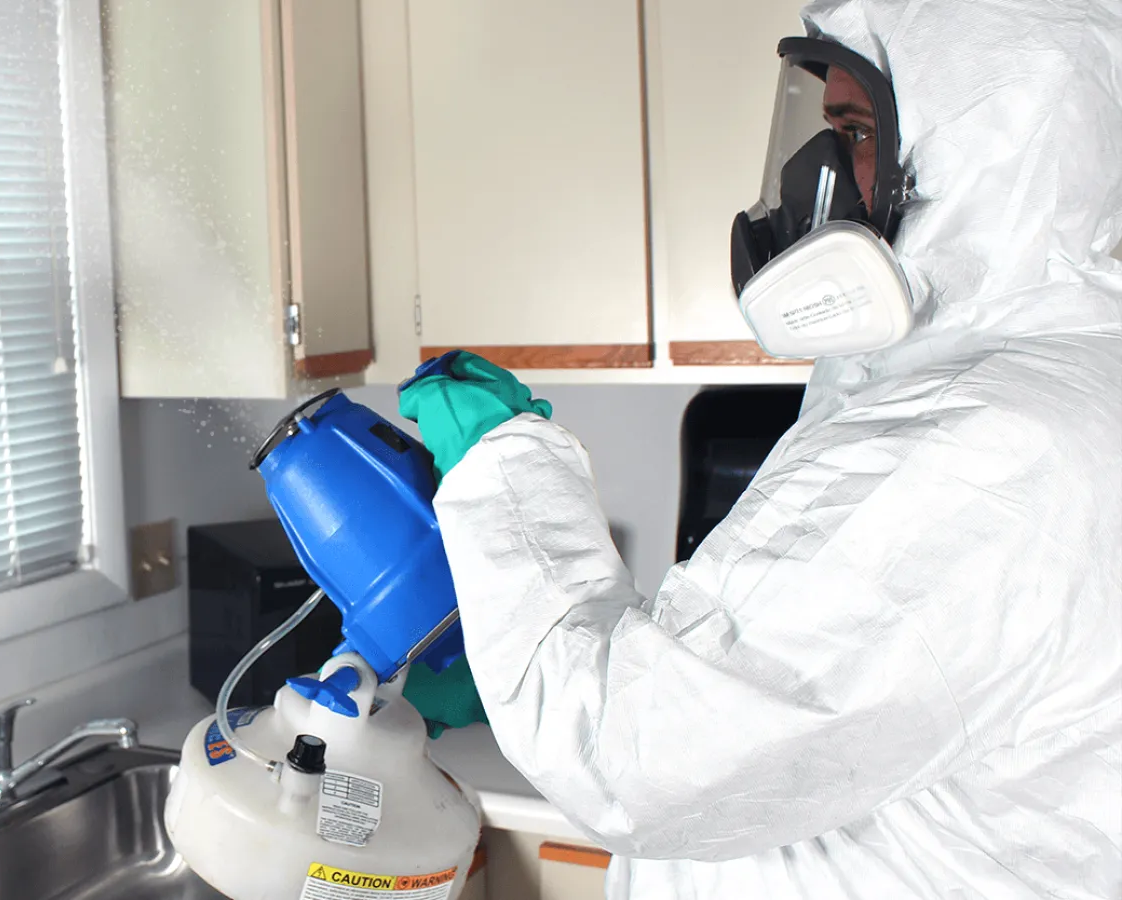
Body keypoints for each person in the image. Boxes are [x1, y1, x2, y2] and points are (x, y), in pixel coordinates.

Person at [397, 0, 1122, 896]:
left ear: (991, 149)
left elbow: (633, 757)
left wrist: (502, 468)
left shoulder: (983, 448)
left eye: (854, 130)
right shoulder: (1028, 383)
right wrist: (533, 657)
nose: (813, 172)